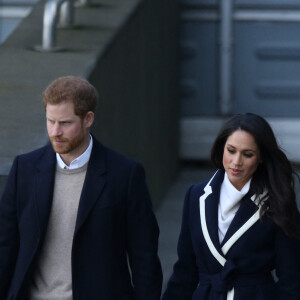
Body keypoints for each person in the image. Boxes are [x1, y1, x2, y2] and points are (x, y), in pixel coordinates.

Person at [0, 76, 162, 300]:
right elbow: (6, 246)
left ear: (88, 119)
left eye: (65, 123)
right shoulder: (24, 169)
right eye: (50, 121)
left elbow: (144, 257)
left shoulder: (124, 174)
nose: (55, 131)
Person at [162, 113, 300, 300]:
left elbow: (291, 280)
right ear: (222, 149)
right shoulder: (196, 195)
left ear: (261, 157)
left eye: (247, 154)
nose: (236, 162)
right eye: (231, 150)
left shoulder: (278, 201)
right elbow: (185, 271)